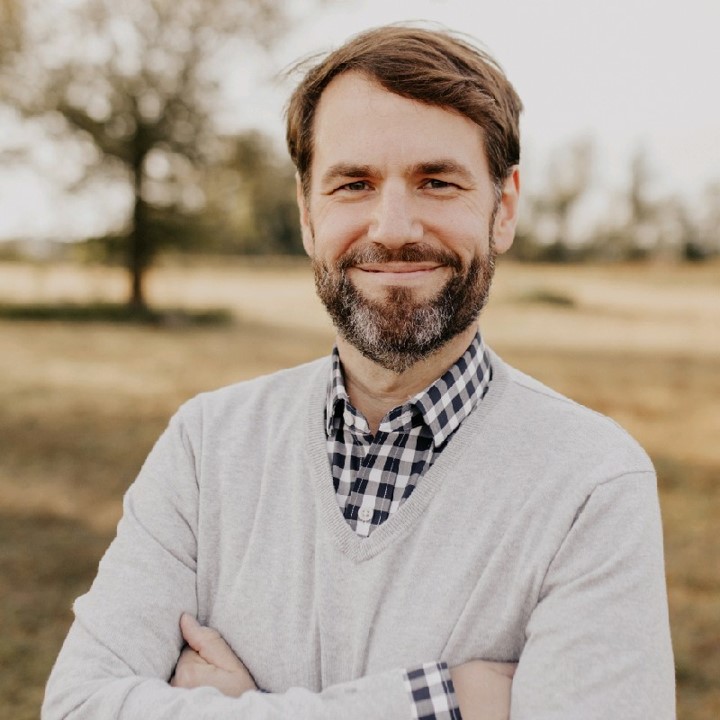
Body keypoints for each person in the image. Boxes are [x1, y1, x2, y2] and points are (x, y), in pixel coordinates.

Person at [42, 25, 675, 720]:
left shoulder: (592, 482)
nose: (392, 227)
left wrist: (242, 706)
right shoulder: (205, 446)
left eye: (437, 181)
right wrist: (439, 703)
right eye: (353, 183)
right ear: (307, 214)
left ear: (504, 209)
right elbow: (76, 707)